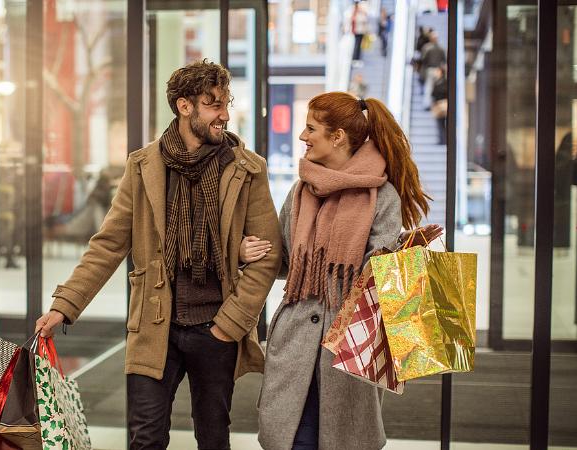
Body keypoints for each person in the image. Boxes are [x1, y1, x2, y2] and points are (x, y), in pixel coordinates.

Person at [33, 60, 282, 450]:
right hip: (154, 326)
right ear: (185, 107)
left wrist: (228, 325)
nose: (225, 115)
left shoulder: (247, 170)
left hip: (216, 328)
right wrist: (65, 305)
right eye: (213, 104)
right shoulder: (143, 166)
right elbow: (110, 243)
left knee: (213, 438)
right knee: (145, 439)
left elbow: (268, 256)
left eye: (225, 104)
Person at [251, 92, 436, 449]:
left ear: (337, 136)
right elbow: (286, 263)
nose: (303, 137)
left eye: (311, 129)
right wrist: (251, 251)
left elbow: (374, 279)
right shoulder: (301, 191)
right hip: (294, 347)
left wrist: (398, 255)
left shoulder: (381, 198)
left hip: (348, 351)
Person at [420, 30, 447, 109]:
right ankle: (427, 104)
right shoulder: (432, 48)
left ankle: (431, 105)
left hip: (436, 70)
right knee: (429, 87)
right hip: (433, 70)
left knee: (432, 88)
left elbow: (423, 60)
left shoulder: (428, 48)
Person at [430, 65, 449, 145]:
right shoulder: (436, 82)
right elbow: (433, 93)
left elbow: (442, 92)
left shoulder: (444, 82)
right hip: (438, 104)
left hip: (443, 104)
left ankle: (444, 140)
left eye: (437, 71)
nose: (436, 73)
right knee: (439, 123)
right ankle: (442, 139)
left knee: (443, 123)